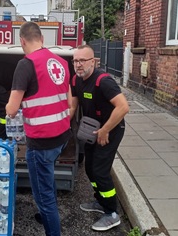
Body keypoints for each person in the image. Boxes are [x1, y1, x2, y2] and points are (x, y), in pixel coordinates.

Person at [5, 21, 72, 236]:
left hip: (41, 144)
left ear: (22, 41)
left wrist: (9, 102)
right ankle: (46, 215)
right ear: (42, 39)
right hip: (62, 137)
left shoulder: (25, 65)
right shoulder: (61, 62)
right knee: (48, 179)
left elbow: (12, 110)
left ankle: (51, 225)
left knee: (44, 197)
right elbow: (69, 102)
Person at [69, 44, 129, 231]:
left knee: (100, 170)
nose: (78, 64)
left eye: (82, 60)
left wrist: (105, 130)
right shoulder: (75, 80)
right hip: (92, 129)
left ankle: (111, 213)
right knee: (89, 168)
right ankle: (100, 200)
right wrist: (61, 125)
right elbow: (73, 106)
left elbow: (123, 107)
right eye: (75, 61)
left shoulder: (104, 81)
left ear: (93, 61)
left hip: (111, 129)